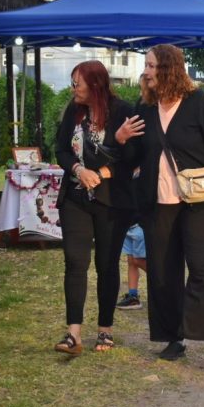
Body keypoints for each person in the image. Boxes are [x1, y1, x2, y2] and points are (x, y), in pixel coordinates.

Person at [134, 44, 204, 363]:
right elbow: (135, 154)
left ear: (169, 68)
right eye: (146, 66)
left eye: (151, 66)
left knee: (203, 267)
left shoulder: (197, 103)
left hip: (198, 202)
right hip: (158, 203)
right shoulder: (146, 108)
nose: (146, 71)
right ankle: (174, 338)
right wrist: (122, 140)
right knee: (163, 272)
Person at [53, 60, 142, 354]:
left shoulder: (123, 111)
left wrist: (103, 171)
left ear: (95, 85)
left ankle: (105, 329)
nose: (73, 88)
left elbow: (134, 158)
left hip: (111, 201)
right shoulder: (73, 112)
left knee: (106, 264)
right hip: (76, 198)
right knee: (75, 262)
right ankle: (73, 334)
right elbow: (61, 149)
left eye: (77, 83)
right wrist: (79, 170)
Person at [116, 223, 147, 309]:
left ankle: (166, 283)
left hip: (140, 224)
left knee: (138, 260)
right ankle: (133, 297)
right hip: (127, 224)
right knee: (131, 261)